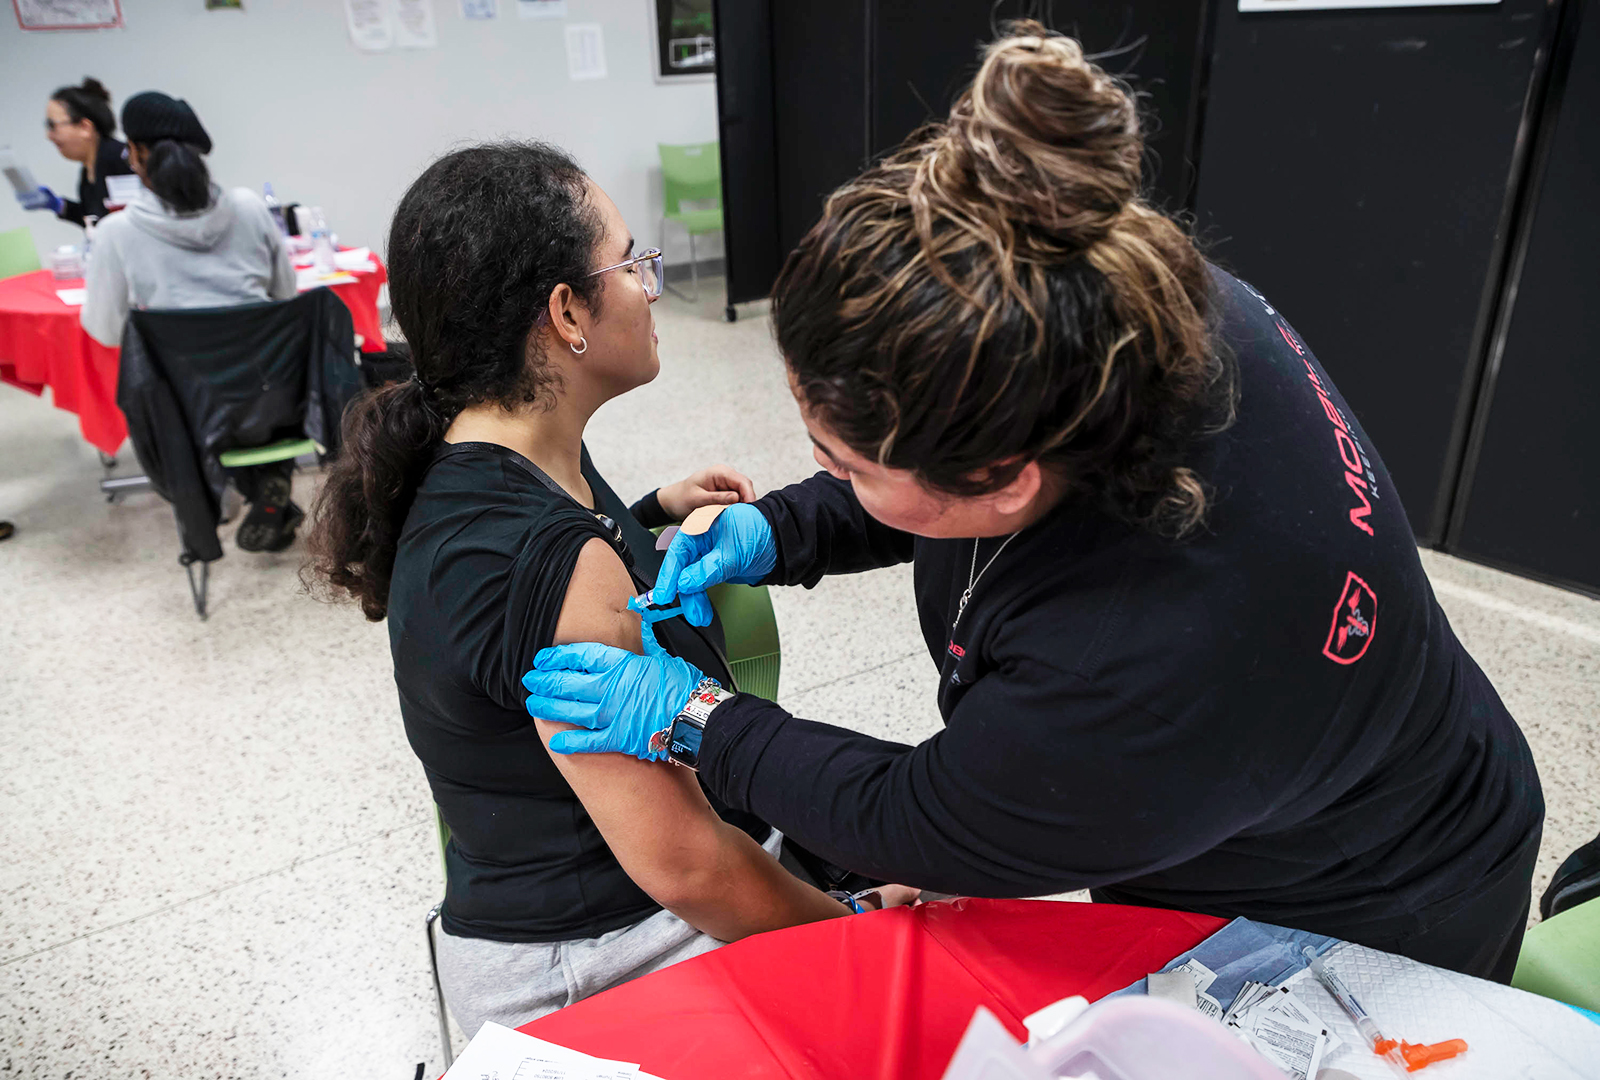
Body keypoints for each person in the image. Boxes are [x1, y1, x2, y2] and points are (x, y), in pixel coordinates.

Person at [523, 22, 1545, 984]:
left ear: (1006, 476)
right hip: (1283, 769)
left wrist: (696, 718)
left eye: (850, 463)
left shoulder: (1141, 660)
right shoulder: (1094, 307)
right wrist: (780, 529)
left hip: (1369, 904)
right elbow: (925, 484)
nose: (828, 475)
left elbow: (915, 816)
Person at [305, 143, 907, 1036]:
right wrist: (856, 934)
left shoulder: (506, 448)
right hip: (605, 959)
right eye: (632, 263)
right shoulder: (547, 558)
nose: (651, 286)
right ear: (565, 313)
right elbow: (691, 870)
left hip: (588, 899)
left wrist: (647, 514)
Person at [80, 91, 301, 553]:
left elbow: (104, 330)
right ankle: (268, 484)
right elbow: (286, 297)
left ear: (136, 154)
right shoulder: (249, 208)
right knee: (237, 389)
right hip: (277, 403)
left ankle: (234, 493)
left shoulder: (116, 233)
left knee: (178, 396)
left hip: (189, 422)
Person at [15, 78, 137, 228]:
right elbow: (95, 221)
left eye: (52, 126)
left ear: (85, 127)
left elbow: (131, 222)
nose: (48, 136)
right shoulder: (88, 172)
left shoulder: (121, 159)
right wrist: (59, 206)